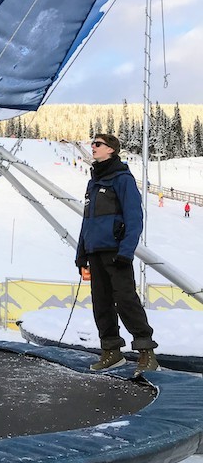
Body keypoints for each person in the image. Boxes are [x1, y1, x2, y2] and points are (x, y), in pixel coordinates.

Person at [75, 133, 159, 375]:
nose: (93, 147)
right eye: (92, 144)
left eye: (98, 144)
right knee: (101, 304)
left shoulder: (122, 179)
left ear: (111, 149)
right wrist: (82, 254)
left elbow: (134, 218)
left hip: (115, 252)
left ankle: (146, 352)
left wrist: (126, 251)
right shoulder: (93, 182)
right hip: (95, 252)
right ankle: (111, 352)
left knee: (125, 301)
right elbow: (87, 222)